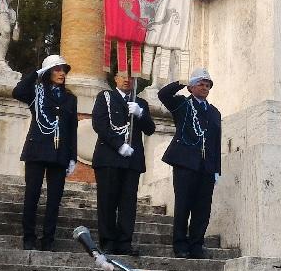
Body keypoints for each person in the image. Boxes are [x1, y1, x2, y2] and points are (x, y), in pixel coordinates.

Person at [12, 55, 78, 251]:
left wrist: (73, 157)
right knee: (32, 195)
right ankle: (29, 237)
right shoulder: (36, 91)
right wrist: (36, 74)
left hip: (60, 153)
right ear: (48, 72)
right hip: (37, 149)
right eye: (57, 69)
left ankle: (48, 239)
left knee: (54, 200)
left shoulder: (70, 98)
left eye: (63, 70)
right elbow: (17, 92)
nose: (62, 73)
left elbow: (72, 127)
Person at [159, 68, 221, 259]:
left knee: (203, 208)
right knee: (183, 204)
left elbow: (216, 141)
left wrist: (217, 168)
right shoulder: (182, 104)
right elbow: (163, 95)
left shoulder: (214, 112)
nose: (205, 87)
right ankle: (180, 245)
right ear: (192, 87)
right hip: (185, 163)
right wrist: (181, 82)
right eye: (201, 84)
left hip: (207, 166)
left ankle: (196, 245)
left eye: (207, 85)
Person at [91, 70, 156, 255]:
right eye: (122, 75)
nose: (127, 79)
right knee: (107, 201)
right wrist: (119, 145)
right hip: (109, 158)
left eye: (131, 76)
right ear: (115, 78)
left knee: (128, 203)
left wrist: (141, 113)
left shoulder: (140, 102)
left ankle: (125, 242)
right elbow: (99, 124)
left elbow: (150, 129)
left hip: (131, 161)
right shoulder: (106, 97)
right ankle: (108, 241)